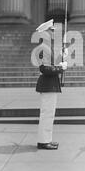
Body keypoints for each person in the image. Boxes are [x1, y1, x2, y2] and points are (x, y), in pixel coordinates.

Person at [35, 19, 67, 150]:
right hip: (48, 84)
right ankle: (43, 141)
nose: (53, 33)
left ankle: (47, 139)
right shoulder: (43, 48)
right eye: (51, 31)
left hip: (51, 84)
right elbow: (44, 69)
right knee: (47, 114)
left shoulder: (47, 47)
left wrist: (61, 56)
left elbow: (51, 64)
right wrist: (60, 68)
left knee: (49, 114)